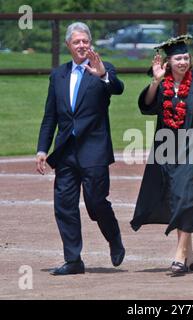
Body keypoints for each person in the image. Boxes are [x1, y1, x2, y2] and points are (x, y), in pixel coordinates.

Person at [130, 35, 193, 275]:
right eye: (178, 58)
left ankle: (178, 256)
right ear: (168, 62)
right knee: (177, 198)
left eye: (186, 57)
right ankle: (190, 253)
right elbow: (146, 107)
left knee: (188, 197)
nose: (183, 61)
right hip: (167, 150)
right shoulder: (163, 86)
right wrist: (155, 82)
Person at [36, 22, 125, 275]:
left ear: (91, 43)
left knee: (96, 203)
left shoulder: (103, 68)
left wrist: (103, 75)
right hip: (65, 152)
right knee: (64, 205)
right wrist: (42, 149)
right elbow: (49, 116)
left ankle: (114, 237)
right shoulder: (58, 75)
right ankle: (73, 260)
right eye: (77, 42)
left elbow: (118, 89)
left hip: (94, 149)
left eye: (85, 41)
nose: (82, 45)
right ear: (68, 46)